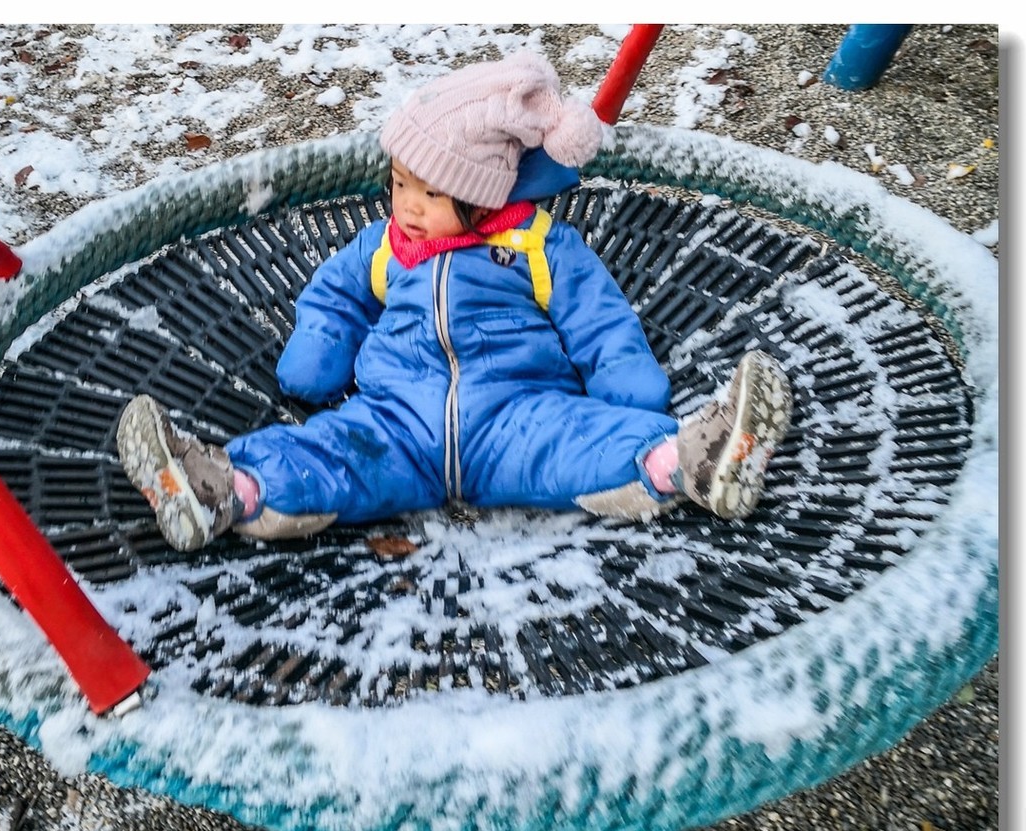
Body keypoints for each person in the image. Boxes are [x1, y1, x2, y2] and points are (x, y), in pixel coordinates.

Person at [115, 50, 793, 552]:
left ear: (481, 194)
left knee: (595, 444)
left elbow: (598, 317)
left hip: (519, 416)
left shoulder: (536, 246)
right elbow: (336, 295)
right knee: (324, 455)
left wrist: (627, 385)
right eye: (399, 184)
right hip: (395, 423)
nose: (407, 207)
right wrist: (316, 355)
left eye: (431, 194)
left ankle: (694, 461)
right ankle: (220, 491)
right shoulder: (387, 246)